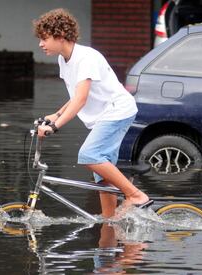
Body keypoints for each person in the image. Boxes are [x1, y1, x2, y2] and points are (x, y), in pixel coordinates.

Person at [33, 8, 152, 218]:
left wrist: (55, 127)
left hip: (117, 111)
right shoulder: (64, 59)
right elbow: (76, 94)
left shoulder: (85, 58)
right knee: (102, 177)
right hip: (104, 116)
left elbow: (81, 99)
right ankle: (110, 222)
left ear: (60, 36)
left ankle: (135, 195)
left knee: (89, 155)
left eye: (44, 38)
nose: (40, 44)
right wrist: (56, 115)